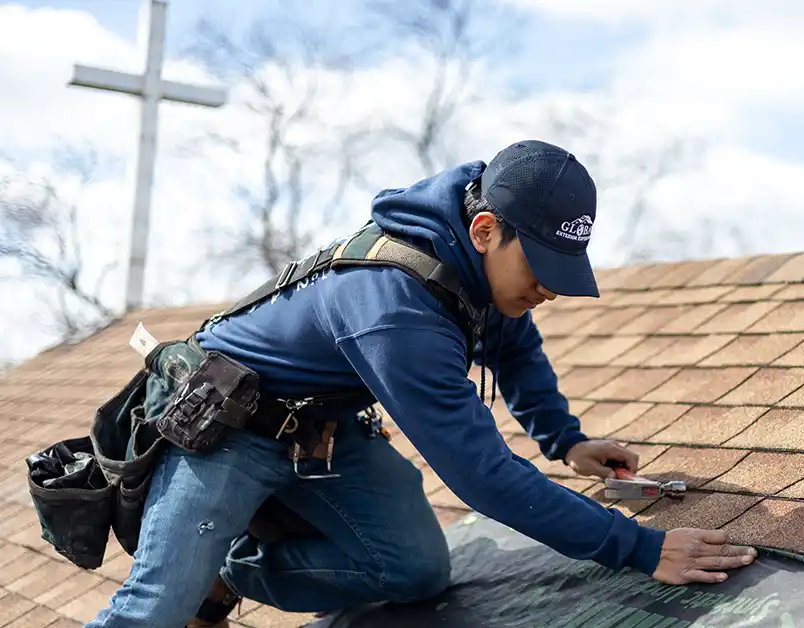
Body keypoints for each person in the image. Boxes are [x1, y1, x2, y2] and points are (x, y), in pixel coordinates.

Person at [85, 140, 757, 628]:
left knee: (414, 572)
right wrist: (638, 547)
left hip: (319, 432)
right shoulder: (395, 310)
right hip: (223, 427)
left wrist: (565, 441)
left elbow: (511, 337)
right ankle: (196, 578)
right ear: (485, 229)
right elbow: (485, 477)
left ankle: (228, 573)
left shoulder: (477, 256)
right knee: (156, 610)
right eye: (542, 266)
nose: (550, 286)